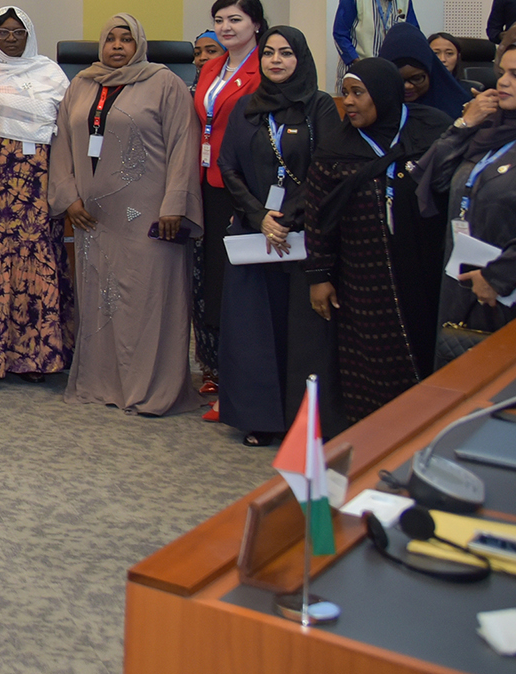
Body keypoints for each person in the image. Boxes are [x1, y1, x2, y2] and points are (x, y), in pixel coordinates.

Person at [50, 14, 205, 417]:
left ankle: (150, 389)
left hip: (147, 213)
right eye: (111, 40)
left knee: (147, 299)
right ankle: (102, 384)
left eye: (127, 40)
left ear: (140, 45)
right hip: (93, 217)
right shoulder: (81, 85)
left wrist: (175, 205)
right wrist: (68, 198)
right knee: (101, 300)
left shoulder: (166, 84)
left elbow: (183, 146)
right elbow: (62, 144)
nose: (118, 47)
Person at [295, 59, 451, 425]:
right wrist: (319, 275)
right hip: (362, 278)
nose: (348, 102)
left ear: (384, 94)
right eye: (345, 93)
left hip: (423, 270)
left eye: (358, 93)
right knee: (370, 365)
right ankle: (375, 438)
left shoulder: (428, 133)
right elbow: (317, 216)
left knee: (424, 351)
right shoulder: (335, 149)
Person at [217, 26, 331, 445]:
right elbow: (228, 167)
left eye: (286, 53)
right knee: (253, 333)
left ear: (301, 58)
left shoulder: (319, 107)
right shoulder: (247, 106)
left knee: (299, 333)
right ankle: (259, 420)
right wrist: (259, 215)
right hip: (254, 234)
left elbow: (325, 167)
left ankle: (301, 421)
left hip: (301, 237)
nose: (276, 60)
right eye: (269, 53)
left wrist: (288, 216)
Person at [0, 5, 73, 386]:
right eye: (3, 32)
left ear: (29, 35)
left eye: (18, 32)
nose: (10, 39)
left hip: (37, 185)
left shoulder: (49, 73)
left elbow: (65, 131)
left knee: (34, 265)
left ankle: (36, 358)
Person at [419, 37, 516, 366]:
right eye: (502, 72)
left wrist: (498, 277)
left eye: (515, 75)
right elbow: (435, 179)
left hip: (504, 290)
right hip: (462, 283)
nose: (502, 82)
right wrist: (464, 125)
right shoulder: (488, 131)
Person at [194, 0, 267, 400]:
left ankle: (240, 372)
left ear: (255, 23)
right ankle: (213, 366)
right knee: (206, 278)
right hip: (205, 181)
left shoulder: (266, 68)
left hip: (241, 186)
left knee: (234, 281)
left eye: (235, 20)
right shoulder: (213, 66)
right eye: (219, 19)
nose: (226, 27)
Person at [379, 23, 470, 120]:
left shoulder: (461, 108)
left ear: (430, 73)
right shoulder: (371, 110)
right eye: (398, 79)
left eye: (417, 78)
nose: (407, 86)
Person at [333, 0, 418, 68]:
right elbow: (340, 33)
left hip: (391, 68)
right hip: (357, 66)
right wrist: (356, 62)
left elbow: (412, 33)